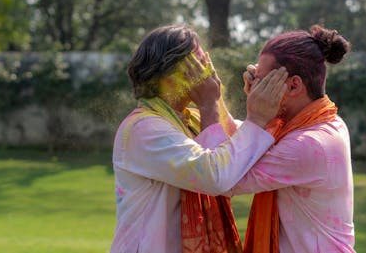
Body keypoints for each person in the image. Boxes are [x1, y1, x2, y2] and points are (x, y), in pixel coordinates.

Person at [110, 25, 288, 253]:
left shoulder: (190, 120)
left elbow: (239, 151)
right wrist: (209, 104)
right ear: (171, 72)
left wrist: (259, 99)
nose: (207, 71)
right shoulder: (143, 129)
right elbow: (215, 176)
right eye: (199, 63)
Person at [229, 25, 355, 253]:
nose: (257, 88)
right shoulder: (324, 122)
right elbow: (252, 145)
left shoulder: (309, 143)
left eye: (263, 81)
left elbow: (227, 177)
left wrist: (252, 115)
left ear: (294, 85)